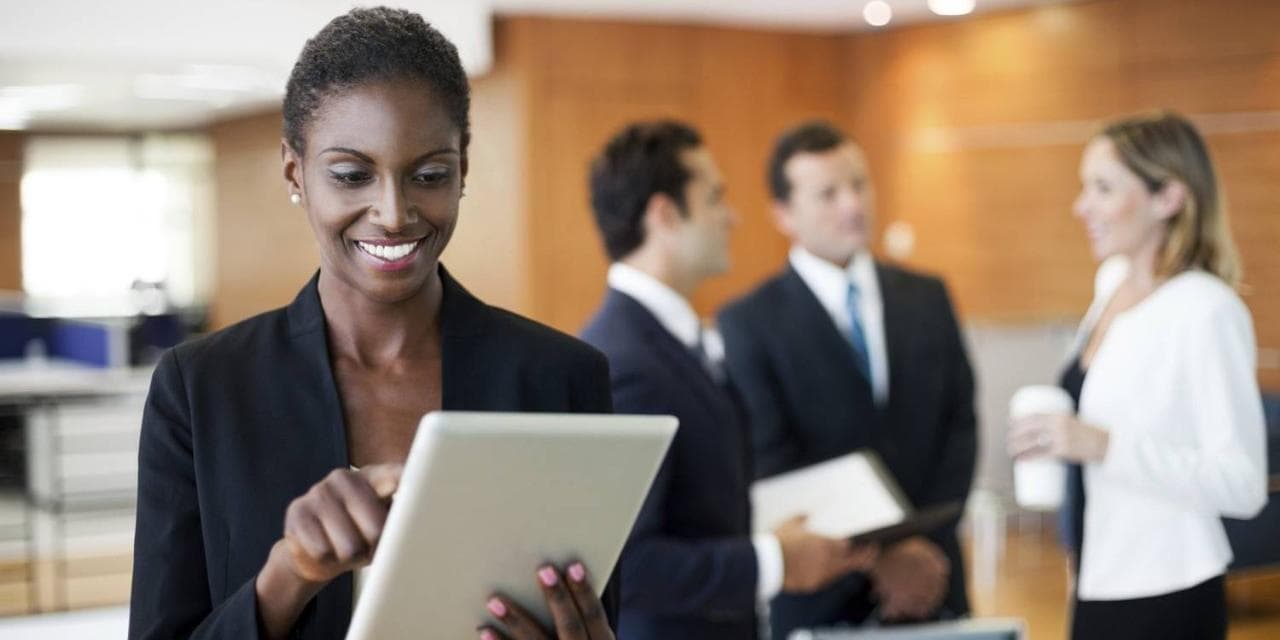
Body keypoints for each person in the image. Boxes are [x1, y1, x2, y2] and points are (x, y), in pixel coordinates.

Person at [128, 8, 617, 640]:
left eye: (430, 175)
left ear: (463, 170)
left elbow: (602, 617)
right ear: (295, 174)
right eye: (353, 175)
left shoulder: (565, 378)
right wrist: (291, 573)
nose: (392, 212)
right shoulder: (201, 389)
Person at [579, 121, 877, 639]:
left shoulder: (670, 339)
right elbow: (630, 561)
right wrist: (774, 561)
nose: (732, 216)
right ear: (665, 215)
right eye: (715, 198)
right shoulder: (625, 360)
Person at [1008, 111, 1267, 640]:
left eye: (1102, 188)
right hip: (1095, 578)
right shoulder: (1112, 284)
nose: (1082, 207)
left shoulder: (1206, 310)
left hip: (1167, 591)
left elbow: (1242, 484)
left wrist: (1102, 445)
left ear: (1168, 198)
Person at [717, 121, 975, 637]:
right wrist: (879, 559)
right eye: (828, 193)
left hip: (934, 579)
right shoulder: (749, 321)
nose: (852, 205)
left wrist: (919, 550)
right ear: (783, 214)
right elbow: (774, 457)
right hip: (823, 593)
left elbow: (960, 427)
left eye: (859, 184)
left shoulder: (927, 295)